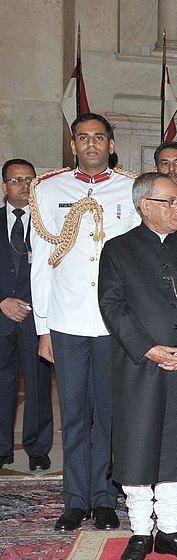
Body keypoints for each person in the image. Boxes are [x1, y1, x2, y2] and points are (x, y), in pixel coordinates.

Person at [98, 172, 177, 560]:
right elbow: (112, 306)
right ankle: (138, 531)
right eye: (170, 202)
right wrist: (148, 349)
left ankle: (169, 528)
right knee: (138, 444)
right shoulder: (117, 250)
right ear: (145, 205)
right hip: (139, 366)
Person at [30, 113, 139, 532]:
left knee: (111, 415)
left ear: (111, 144)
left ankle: (105, 497)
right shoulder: (49, 188)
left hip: (114, 324)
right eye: (82, 138)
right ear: (72, 145)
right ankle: (75, 499)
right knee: (74, 415)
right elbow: (41, 265)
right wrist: (43, 328)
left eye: (99, 137)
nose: (91, 144)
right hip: (68, 320)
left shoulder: (131, 189)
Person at [0, 160, 52, 471]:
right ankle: (3, 448)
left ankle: (38, 449)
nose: (23, 185)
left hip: (37, 317)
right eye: (16, 180)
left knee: (38, 384)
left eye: (29, 180)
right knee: (2, 382)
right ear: (4, 186)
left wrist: (32, 304)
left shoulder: (48, 224)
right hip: (1, 315)